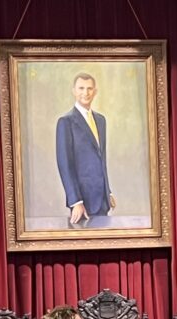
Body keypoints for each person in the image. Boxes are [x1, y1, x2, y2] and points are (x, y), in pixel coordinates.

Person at [56, 72, 115, 225]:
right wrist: (75, 201)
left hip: (102, 200)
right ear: (74, 91)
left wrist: (107, 191)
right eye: (81, 88)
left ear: (95, 92)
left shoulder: (101, 120)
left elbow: (100, 160)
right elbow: (65, 165)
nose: (85, 93)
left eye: (89, 88)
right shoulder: (66, 122)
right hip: (82, 202)